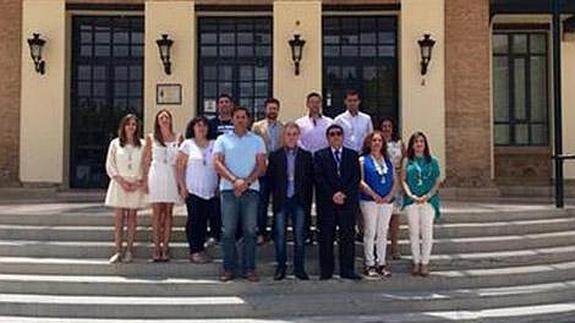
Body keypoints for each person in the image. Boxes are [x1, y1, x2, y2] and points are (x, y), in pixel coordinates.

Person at [213, 106, 267, 282]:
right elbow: (217, 163)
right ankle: (229, 269)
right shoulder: (222, 139)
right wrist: (235, 180)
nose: (241, 120)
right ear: (232, 119)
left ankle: (249, 269)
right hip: (229, 190)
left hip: (251, 190)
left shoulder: (257, 140)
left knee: (250, 230)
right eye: (237, 117)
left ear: (248, 120)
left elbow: (261, 165)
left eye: (244, 117)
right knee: (228, 231)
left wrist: (247, 182)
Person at [314, 124, 361, 280]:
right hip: (327, 202)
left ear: (343, 136)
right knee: (326, 237)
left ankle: (347, 269)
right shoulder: (320, 156)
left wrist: (344, 194)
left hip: (347, 203)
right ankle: (327, 271)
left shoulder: (352, 155)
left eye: (338, 134)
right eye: (332, 134)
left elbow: (355, 178)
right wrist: (333, 194)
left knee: (347, 236)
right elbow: (319, 178)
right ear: (327, 138)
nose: (336, 137)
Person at [267, 122, 313, 281]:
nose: (291, 137)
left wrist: (307, 202)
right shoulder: (275, 156)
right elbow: (270, 180)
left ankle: (299, 268)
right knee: (280, 235)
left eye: (294, 134)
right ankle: (281, 267)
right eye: (288, 134)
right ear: (283, 136)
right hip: (282, 200)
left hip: (299, 201)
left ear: (298, 136)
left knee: (299, 236)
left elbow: (309, 182)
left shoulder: (306, 156)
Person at [104, 114, 147, 264]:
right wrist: (121, 181)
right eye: (128, 124)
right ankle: (117, 251)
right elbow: (110, 165)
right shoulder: (115, 144)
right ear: (123, 127)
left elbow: (145, 165)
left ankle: (129, 250)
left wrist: (138, 182)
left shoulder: (142, 144)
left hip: (135, 184)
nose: (131, 127)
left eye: (134, 124)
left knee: (132, 219)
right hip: (119, 184)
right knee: (119, 219)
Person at [177, 116, 218, 264]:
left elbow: (219, 165)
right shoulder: (187, 145)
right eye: (198, 125)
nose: (201, 128)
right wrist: (182, 187)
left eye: (204, 126)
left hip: (211, 190)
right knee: (195, 221)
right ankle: (195, 251)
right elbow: (179, 167)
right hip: (193, 190)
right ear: (193, 128)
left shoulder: (214, 144)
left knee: (208, 219)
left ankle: (203, 247)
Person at [143, 109, 182, 262]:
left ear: (171, 120)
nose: (164, 120)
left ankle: (165, 248)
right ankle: (156, 248)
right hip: (156, 174)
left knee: (168, 213)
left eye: (167, 117)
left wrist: (181, 183)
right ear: (157, 121)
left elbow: (181, 161)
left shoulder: (178, 137)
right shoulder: (151, 138)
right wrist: (145, 180)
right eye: (161, 117)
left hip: (171, 174)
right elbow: (146, 160)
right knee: (156, 213)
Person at [401, 131, 441, 277]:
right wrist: (410, 195)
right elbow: (403, 180)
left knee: (427, 232)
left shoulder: (433, 161)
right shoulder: (407, 161)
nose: (419, 144)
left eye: (422, 141)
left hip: (428, 200)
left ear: (425, 144)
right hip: (412, 200)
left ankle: (425, 263)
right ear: (412, 145)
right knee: (413, 232)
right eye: (416, 141)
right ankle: (416, 262)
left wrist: (427, 195)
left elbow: (437, 181)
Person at [359, 131, 398, 279]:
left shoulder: (388, 161)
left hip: (386, 202)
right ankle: (369, 263)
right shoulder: (363, 160)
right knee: (370, 231)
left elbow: (395, 181)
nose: (376, 143)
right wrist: (373, 194)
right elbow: (360, 181)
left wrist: (389, 196)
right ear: (369, 143)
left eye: (379, 141)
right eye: (374, 140)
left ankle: (381, 263)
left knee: (383, 232)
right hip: (369, 201)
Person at [295, 92, 333, 244]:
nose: (315, 105)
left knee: (324, 198)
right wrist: (308, 154)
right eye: (312, 102)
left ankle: (322, 230)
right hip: (305, 164)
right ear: (307, 104)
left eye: (317, 102)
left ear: (321, 104)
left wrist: (321, 155)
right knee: (305, 198)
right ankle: (306, 232)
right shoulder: (300, 123)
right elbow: (296, 140)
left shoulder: (329, 122)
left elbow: (331, 140)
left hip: (323, 164)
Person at [203, 94, 235, 246]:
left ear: (231, 105)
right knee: (214, 202)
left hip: (235, 168)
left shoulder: (237, 122)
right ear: (217, 106)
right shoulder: (211, 124)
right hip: (215, 168)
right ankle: (214, 233)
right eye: (221, 102)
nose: (223, 105)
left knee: (234, 202)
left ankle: (235, 233)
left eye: (226, 102)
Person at [252, 98, 284, 245]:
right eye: (270, 108)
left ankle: (276, 232)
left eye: (275, 108)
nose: (273, 111)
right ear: (266, 110)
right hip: (262, 169)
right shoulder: (257, 127)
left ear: (278, 110)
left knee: (278, 202)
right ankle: (261, 232)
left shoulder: (283, 127)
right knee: (262, 202)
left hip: (278, 170)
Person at [381, 118, 405, 260]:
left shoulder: (399, 144)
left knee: (395, 216)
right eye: (384, 126)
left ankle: (394, 246)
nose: (387, 128)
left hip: (396, 181)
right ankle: (381, 249)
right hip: (381, 180)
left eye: (389, 126)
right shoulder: (377, 142)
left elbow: (405, 161)